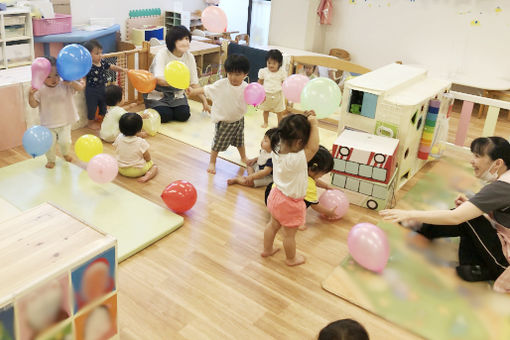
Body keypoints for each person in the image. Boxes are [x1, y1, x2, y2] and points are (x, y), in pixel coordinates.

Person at [380, 136, 510, 291]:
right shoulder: (505, 181)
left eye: (477, 156)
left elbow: (455, 218)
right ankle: (425, 228)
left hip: (505, 263)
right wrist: (472, 203)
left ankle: (492, 268)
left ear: (498, 163)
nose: (472, 161)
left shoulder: (502, 188)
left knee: (466, 218)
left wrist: (409, 214)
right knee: (467, 215)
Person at [261, 112, 319, 266]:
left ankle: (267, 250)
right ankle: (291, 259)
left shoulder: (276, 145)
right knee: (288, 235)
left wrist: (304, 119)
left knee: (272, 225)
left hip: (275, 195)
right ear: (300, 142)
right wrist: (314, 125)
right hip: (290, 203)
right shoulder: (296, 159)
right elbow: (313, 148)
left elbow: (297, 136)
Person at [186, 54, 250, 174]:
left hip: (239, 120)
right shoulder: (221, 84)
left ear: (245, 74)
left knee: (240, 141)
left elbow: (255, 101)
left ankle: (243, 157)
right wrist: (194, 91)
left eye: (237, 74)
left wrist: (261, 99)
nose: (233, 77)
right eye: (230, 73)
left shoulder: (246, 88)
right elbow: (206, 89)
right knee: (217, 144)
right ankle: (212, 162)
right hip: (224, 121)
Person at [28, 56, 85, 169]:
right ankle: (51, 160)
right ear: (41, 76)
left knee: (65, 142)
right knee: (49, 145)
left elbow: (79, 88)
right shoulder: (40, 89)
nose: (53, 79)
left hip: (64, 122)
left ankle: (65, 153)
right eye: (48, 76)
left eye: (56, 75)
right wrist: (30, 95)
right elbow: (33, 105)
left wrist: (71, 83)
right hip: (48, 124)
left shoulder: (64, 85)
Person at [144, 25, 210, 123]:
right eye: (181, 39)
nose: (185, 42)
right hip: (157, 93)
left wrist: (204, 101)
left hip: (177, 94)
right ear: (172, 41)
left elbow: (194, 83)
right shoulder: (162, 54)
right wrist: (179, 83)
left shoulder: (189, 57)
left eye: (187, 38)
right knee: (165, 115)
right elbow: (159, 80)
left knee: (184, 115)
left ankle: (172, 107)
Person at [264, 145, 338, 229]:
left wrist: (326, 186)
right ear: (312, 169)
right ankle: (293, 220)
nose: (322, 176)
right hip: (282, 206)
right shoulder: (309, 184)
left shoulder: (296, 166)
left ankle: (277, 213)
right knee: (305, 201)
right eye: (323, 173)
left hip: (271, 196)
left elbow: (313, 180)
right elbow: (315, 205)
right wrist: (328, 212)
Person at [83, 39, 127, 130]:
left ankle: (102, 119)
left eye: (101, 53)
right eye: (97, 53)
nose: (100, 56)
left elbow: (112, 67)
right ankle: (90, 123)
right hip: (91, 91)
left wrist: (122, 69)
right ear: (88, 54)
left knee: (104, 105)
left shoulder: (102, 62)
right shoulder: (87, 65)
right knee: (92, 107)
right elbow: (82, 76)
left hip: (103, 88)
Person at [113, 113, 158, 183]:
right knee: (154, 166)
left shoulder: (118, 137)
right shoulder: (141, 142)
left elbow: (117, 149)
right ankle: (147, 176)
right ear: (139, 129)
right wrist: (148, 161)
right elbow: (147, 157)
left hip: (121, 168)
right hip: (137, 171)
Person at [258, 49, 287, 128]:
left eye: (274, 63)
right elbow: (260, 82)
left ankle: (279, 125)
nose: (271, 65)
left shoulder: (282, 72)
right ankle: (265, 122)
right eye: (269, 63)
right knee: (265, 110)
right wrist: (258, 91)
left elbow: (285, 83)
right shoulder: (263, 71)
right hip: (266, 95)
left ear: (279, 63)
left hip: (278, 95)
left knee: (279, 112)